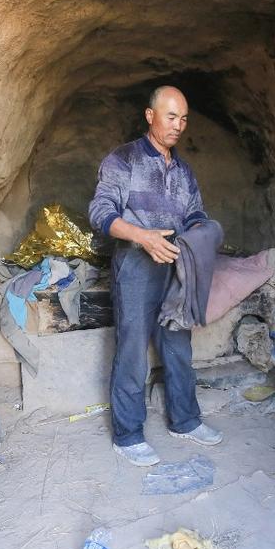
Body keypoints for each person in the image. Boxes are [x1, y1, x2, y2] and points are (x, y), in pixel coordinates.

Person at [88, 85, 223, 467]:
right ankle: (128, 435)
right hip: (136, 266)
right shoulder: (123, 160)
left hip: (176, 266)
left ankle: (185, 420)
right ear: (150, 116)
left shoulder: (184, 171)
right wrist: (142, 236)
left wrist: (202, 232)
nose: (178, 125)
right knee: (132, 348)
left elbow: (194, 213)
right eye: (171, 116)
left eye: (183, 119)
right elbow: (100, 212)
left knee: (178, 344)